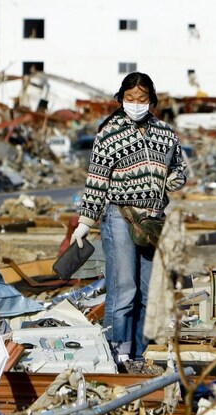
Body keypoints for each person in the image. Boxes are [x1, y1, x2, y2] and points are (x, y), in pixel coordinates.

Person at [71, 72, 187, 370]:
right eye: (130, 99)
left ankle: (140, 352)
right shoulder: (109, 134)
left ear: (151, 100)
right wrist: (85, 221)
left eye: (142, 99)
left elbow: (181, 168)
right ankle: (117, 352)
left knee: (150, 291)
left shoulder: (165, 133)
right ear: (121, 98)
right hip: (120, 215)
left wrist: (174, 179)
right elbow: (96, 180)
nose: (136, 104)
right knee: (124, 287)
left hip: (153, 221)